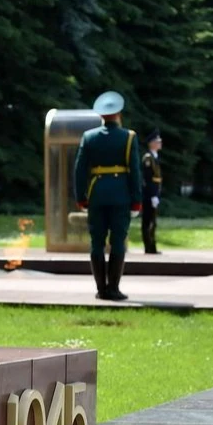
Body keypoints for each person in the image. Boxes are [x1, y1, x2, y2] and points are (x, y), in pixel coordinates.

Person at [74, 91, 143, 300]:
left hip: (96, 195)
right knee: (118, 241)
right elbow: (135, 171)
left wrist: (81, 197)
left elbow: (79, 170)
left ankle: (100, 289)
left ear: (101, 115)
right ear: (119, 113)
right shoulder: (128, 137)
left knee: (96, 242)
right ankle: (113, 288)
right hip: (121, 195)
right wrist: (137, 200)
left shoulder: (89, 137)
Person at [140, 130, 164, 254]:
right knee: (147, 221)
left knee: (153, 222)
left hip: (154, 193)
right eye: (157, 141)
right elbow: (148, 179)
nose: (160, 143)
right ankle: (148, 247)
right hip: (149, 195)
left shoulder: (155, 157)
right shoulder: (148, 158)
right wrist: (153, 195)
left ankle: (152, 246)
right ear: (152, 143)